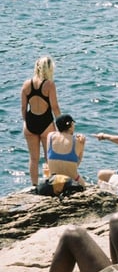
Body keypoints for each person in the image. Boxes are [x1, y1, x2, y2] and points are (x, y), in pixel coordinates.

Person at [21, 55, 61, 186]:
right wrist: (61, 125)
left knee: (33, 159)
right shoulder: (49, 85)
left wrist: (26, 122)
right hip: (46, 123)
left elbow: (23, 107)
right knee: (49, 157)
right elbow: (55, 107)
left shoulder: (26, 84)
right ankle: (49, 185)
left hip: (30, 123)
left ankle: (34, 186)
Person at [46, 114, 87, 186]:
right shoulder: (78, 141)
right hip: (72, 182)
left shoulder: (50, 136)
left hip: (53, 181)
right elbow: (77, 163)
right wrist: (83, 142)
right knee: (83, 183)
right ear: (71, 126)